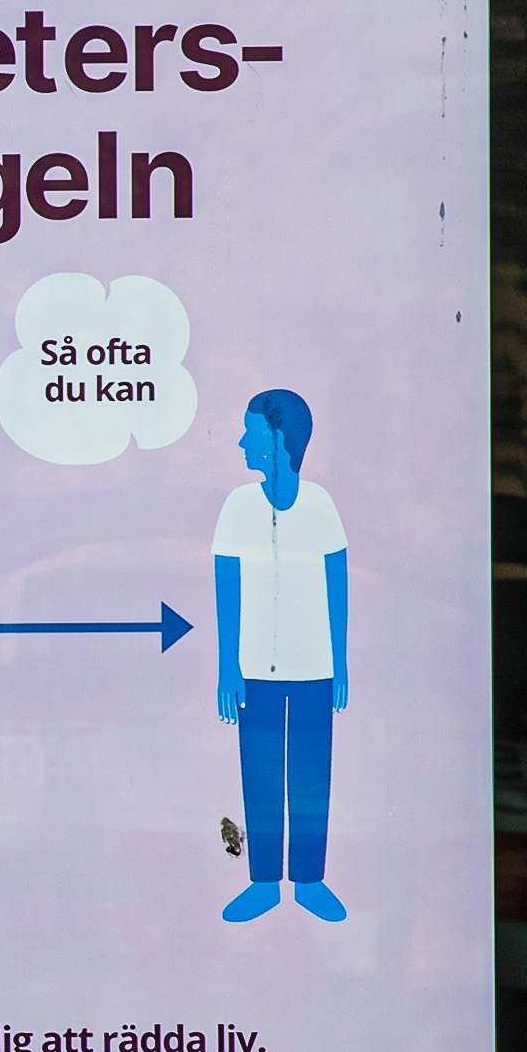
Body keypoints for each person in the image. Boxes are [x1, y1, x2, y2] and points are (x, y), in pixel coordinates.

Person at [213, 384, 350, 925]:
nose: (241, 442)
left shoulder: (320, 506)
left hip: (314, 669)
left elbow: (337, 585)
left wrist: (340, 662)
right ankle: (264, 882)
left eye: (251, 432)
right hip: (255, 671)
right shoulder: (237, 507)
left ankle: (310, 880)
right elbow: (227, 589)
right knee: (262, 773)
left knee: (312, 775)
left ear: (278, 439)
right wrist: (227, 667)